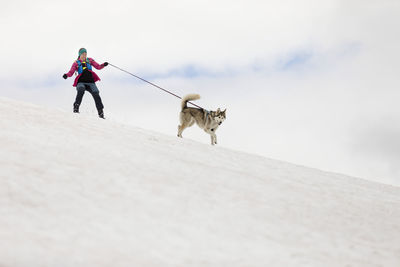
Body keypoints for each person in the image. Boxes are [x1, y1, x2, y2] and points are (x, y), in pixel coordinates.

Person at [63, 48, 108, 119]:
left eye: (85, 54)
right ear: (79, 55)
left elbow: (98, 67)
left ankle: (101, 113)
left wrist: (103, 65)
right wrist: (66, 75)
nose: (84, 55)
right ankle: (76, 108)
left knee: (96, 93)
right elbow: (71, 72)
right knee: (81, 89)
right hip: (81, 82)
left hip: (90, 82)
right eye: (83, 54)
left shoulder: (90, 60)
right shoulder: (76, 63)